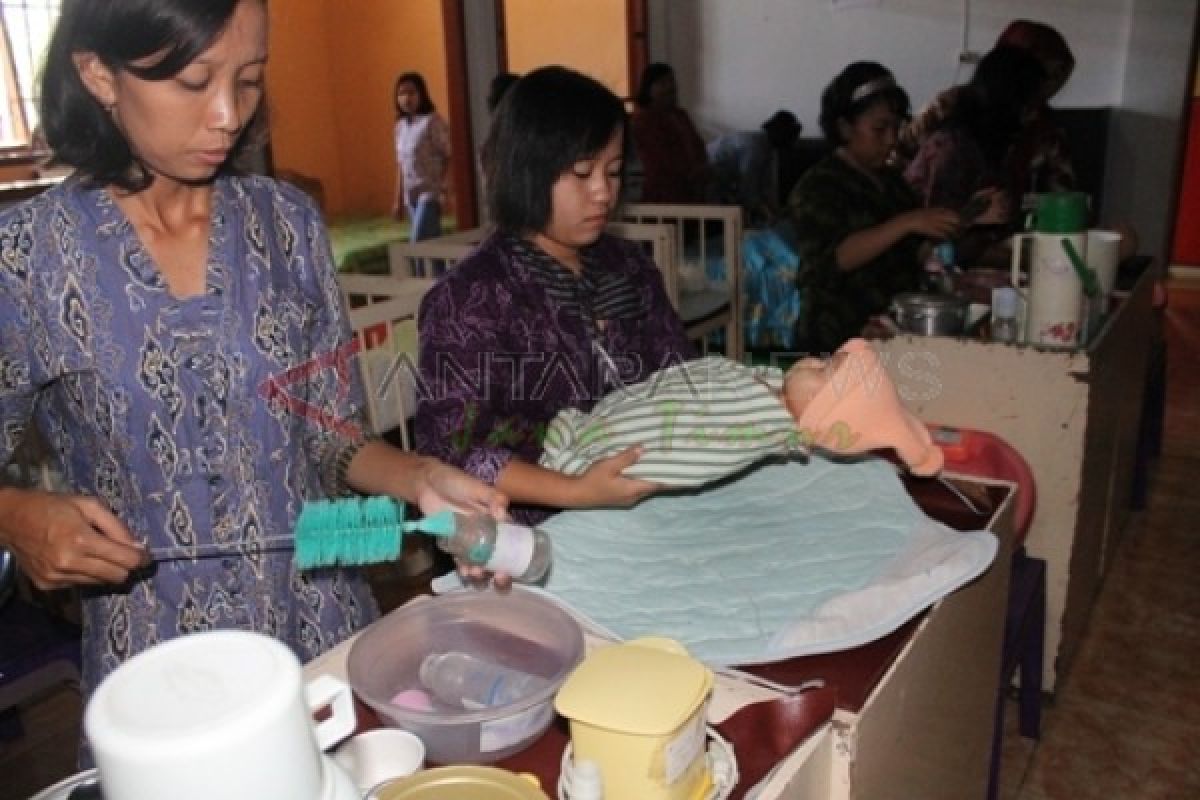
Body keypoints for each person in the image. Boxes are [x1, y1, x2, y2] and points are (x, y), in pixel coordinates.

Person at [0, 0, 505, 738]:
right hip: (160, 669)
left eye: (249, 79)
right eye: (193, 81)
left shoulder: (287, 225)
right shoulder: (27, 258)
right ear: (98, 74)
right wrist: (16, 518)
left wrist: (420, 476)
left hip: (323, 638)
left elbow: (332, 440)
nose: (228, 116)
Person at [415, 65, 694, 525]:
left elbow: (679, 379)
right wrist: (580, 491)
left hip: (649, 503)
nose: (604, 192)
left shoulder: (629, 267)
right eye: (582, 173)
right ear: (526, 172)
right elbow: (453, 449)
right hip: (534, 530)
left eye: (614, 171)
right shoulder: (471, 298)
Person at [540, 338, 943, 487]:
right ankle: (583, 439)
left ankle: (577, 454)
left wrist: (633, 466)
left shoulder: (756, 426)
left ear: (820, 416)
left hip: (623, 444)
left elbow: (691, 453)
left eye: (822, 370)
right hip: (616, 412)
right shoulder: (770, 387)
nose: (808, 359)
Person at [787, 62, 987, 354]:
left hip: (889, 330)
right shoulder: (819, 187)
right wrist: (905, 223)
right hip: (836, 335)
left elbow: (916, 252)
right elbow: (829, 262)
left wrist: (967, 218)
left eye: (896, 127)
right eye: (880, 129)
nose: (892, 139)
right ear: (844, 128)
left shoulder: (892, 183)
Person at [895, 19, 1077, 199]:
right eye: (1046, 75)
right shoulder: (950, 111)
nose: (1051, 86)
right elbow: (899, 153)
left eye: (1058, 77)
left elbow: (1062, 194)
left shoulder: (1044, 127)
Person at [903, 45, 1044, 264]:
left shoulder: (997, 143)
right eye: (1031, 104)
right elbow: (932, 247)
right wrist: (975, 217)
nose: (1035, 115)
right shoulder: (950, 148)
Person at [630, 62, 710, 203]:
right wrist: (690, 172)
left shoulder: (680, 115)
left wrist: (702, 169)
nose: (670, 87)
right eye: (662, 83)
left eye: (671, 81)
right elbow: (659, 155)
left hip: (692, 189)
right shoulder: (644, 120)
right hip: (664, 192)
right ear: (649, 89)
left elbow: (697, 145)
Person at [707, 110, 803, 227]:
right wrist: (768, 213)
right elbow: (748, 190)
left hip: (720, 183)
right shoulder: (756, 149)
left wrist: (774, 211)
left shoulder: (767, 149)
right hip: (706, 179)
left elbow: (766, 186)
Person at [392, 71, 452, 241]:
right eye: (401, 93)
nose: (406, 98)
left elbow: (450, 156)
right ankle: (440, 269)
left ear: (421, 94)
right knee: (432, 245)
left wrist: (446, 190)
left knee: (417, 242)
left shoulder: (433, 121)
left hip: (430, 191)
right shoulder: (400, 127)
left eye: (411, 92)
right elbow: (401, 164)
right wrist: (397, 200)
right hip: (410, 194)